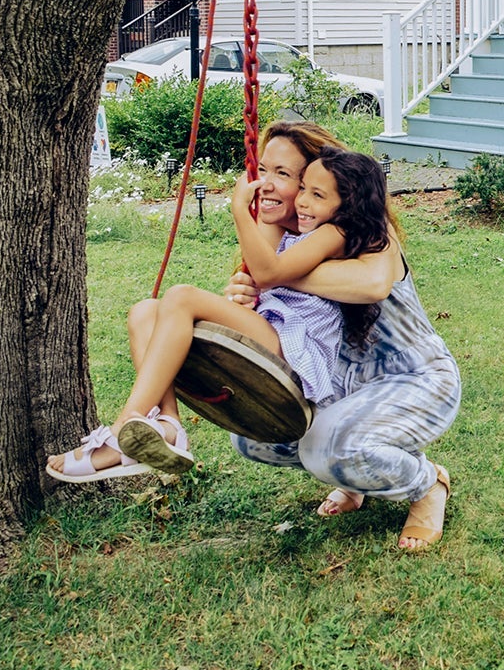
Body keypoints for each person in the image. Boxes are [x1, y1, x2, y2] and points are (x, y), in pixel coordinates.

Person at [48, 144, 386, 484]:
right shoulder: (299, 228)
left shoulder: (334, 232)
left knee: (182, 297)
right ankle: (167, 423)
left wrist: (240, 209)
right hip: (277, 330)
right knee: (144, 312)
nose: (302, 202)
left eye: (317, 195)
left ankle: (123, 428)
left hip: (297, 346)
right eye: (303, 190)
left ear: (347, 205)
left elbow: (268, 272)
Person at [223, 121, 461, 551]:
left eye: (285, 176)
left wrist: (274, 277)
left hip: (414, 379)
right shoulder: (291, 239)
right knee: (255, 435)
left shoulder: (370, 234)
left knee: (327, 449)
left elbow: (370, 285)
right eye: (264, 170)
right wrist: (249, 295)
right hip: (341, 384)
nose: (269, 185)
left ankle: (427, 485)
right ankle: (353, 479)